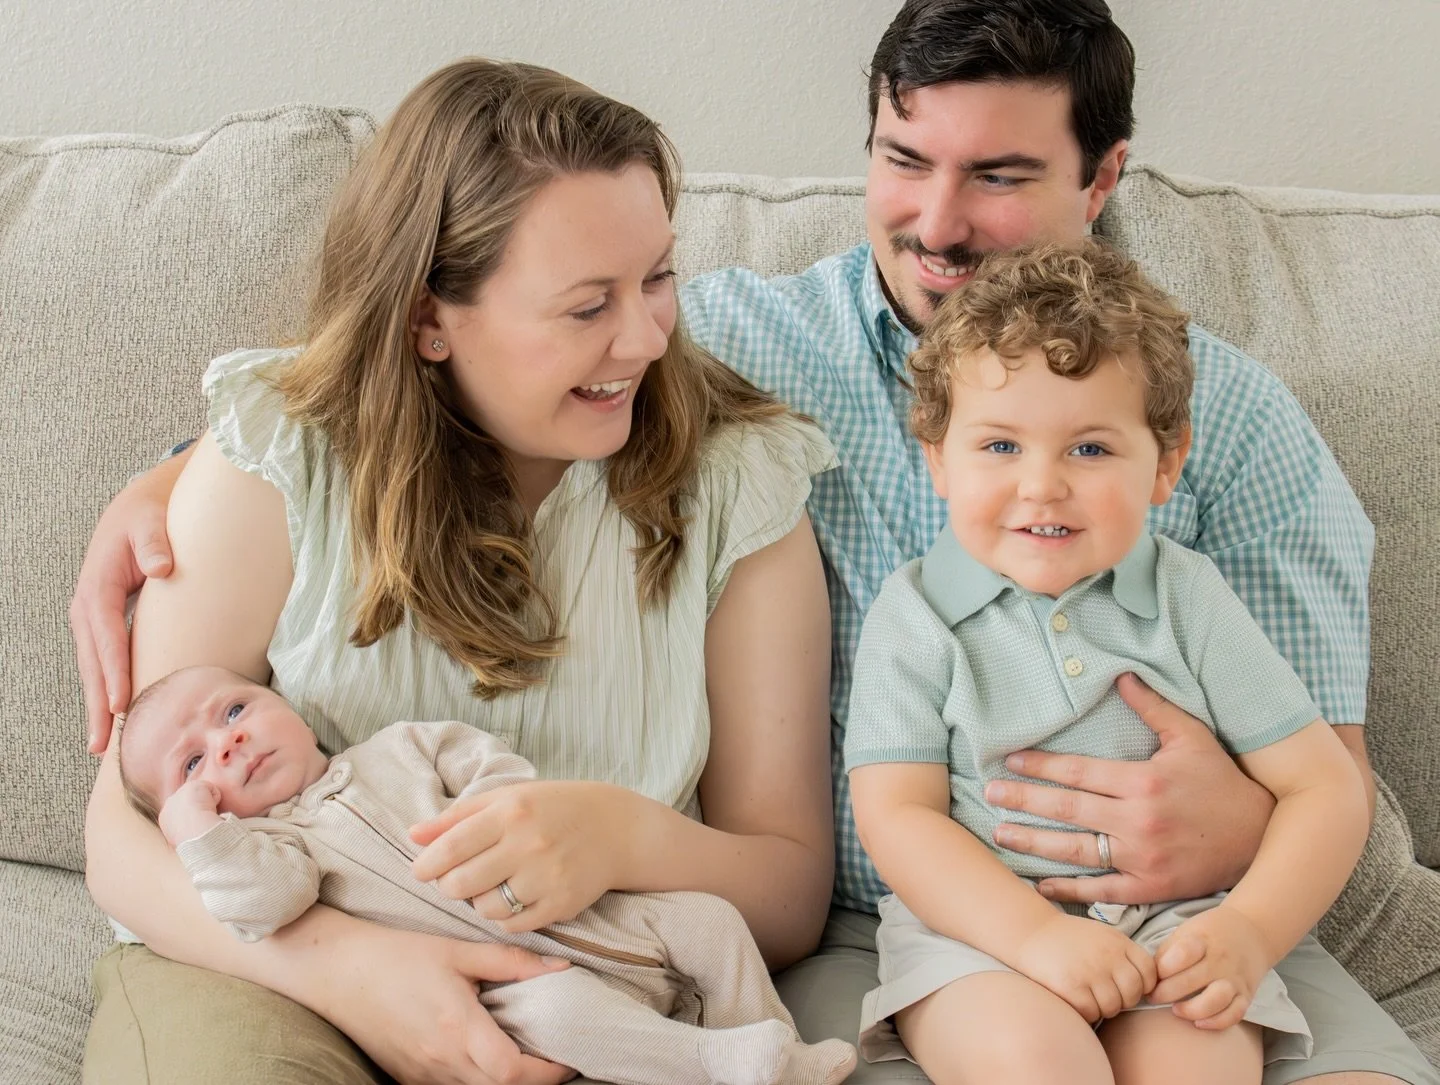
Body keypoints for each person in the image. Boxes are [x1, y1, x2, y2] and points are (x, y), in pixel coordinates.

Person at [72, 4, 1440, 1085]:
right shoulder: (742, 352)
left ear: (1107, 176)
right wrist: (182, 476)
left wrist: (1245, 838)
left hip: (1166, 910)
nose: (940, 222)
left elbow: (1329, 781)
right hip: (894, 933)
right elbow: (398, 381)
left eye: (1003, 175)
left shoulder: (1229, 427)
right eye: (906, 163)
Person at [78, 58, 840, 1085]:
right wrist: (352, 970)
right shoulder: (278, 458)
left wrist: (624, 836)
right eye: (586, 306)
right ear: (429, 318)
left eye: (658, 276)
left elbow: (790, 892)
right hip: (267, 965)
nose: (649, 335)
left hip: (592, 989)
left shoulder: (739, 488)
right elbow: (122, 832)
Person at [844, 240, 1369, 1085]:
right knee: (1039, 1065)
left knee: (1198, 1069)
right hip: (981, 935)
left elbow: (1327, 785)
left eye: (1089, 449)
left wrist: (1249, 933)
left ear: (1165, 463)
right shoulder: (916, 616)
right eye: (1000, 446)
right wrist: (1038, 937)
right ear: (938, 457)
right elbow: (899, 817)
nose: (1042, 484)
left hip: (1177, 925)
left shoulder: (1186, 597)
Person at [115, 664, 856, 1085]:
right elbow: (260, 905)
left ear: (289, 705)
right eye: (194, 763)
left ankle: (773, 1051)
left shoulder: (398, 747)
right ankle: (711, 1064)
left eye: (236, 707)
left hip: (596, 913)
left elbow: (487, 763)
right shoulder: (277, 849)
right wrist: (200, 835)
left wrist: (493, 806)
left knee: (712, 922)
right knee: (565, 1017)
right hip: (513, 990)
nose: (229, 740)